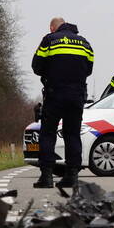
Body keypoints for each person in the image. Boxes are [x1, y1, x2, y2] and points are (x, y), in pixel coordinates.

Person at [31, 17, 94, 188]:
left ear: (53, 27)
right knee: (72, 134)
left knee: (48, 134)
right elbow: (89, 69)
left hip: (55, 94)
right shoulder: (84, 43)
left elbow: (36, 66)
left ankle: (46, 177)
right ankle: (72, 176)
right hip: (76, 96)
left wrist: (52, 72)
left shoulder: (49, 40)